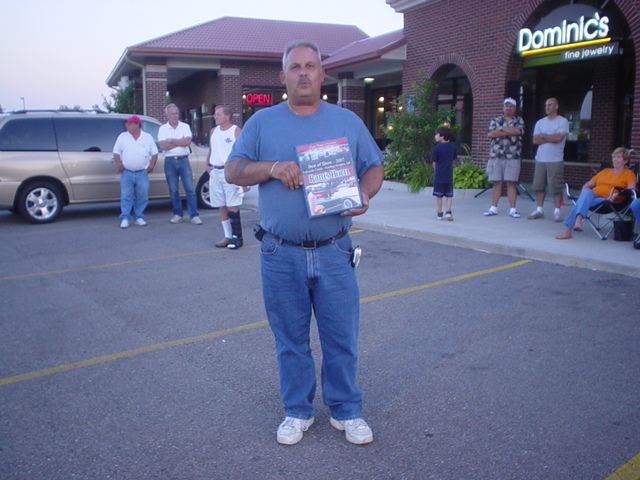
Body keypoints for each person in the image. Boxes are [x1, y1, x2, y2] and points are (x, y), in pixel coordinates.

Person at [225, 40, 384, 446]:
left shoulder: (347, 121)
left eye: (310, 66)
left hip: (334, 249)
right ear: (283, 77)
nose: (303, 73)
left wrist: (365, 195)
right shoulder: (261, 123)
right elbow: (233, 170)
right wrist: (273, 168)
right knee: (290, 340)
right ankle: (297, 411)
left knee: (341, 336)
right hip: (281, 252)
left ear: (321, 74)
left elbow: (373, 166)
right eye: (295, 67)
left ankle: (346, 410)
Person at [556, 147, 637, 239]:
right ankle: (578, 221)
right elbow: (587, 185)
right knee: (587, 192)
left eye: (618, 157)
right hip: (593, 196)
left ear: (625, 160)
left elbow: (631, 189)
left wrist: (617, 194)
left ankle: (569, 229)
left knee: (582, 201)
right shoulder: (605, 171)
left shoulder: (628, 173)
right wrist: (583, 197)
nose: (615, 159)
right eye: (614, 157)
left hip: (608, 200)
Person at [206, 106, 244, 249]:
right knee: (221, 205)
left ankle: (237, 236)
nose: (215, 117)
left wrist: (237, 169)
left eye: (218, 114)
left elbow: (242, 151)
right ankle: (227, 235)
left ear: (227, 116)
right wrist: (207, 164)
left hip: (229, 171)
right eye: (215, 114)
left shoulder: (235, 131)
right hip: (215, 170)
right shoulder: (213, 131)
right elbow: (211, 149)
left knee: (232, 204)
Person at [158, 103, 202, 225]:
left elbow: (188, 141)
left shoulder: (185, 126)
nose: (175, 116)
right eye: (172, 113)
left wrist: (171, 140)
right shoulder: (162, 129)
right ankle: (178, 214)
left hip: (184, 160)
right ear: (167, 115)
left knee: (190, 189)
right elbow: (162, 146)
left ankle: (194, 215)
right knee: (173, 190)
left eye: (176, 113)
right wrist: (180, 142)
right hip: (169, 161)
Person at [112, 115, 158, 228]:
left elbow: (155, 153)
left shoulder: (147, 137)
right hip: (126, 172)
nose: (127, 126)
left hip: (142, 172)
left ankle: (139, 217)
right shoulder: (123, 137)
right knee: (126, 195)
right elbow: (116, 152)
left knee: (142, 195)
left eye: (130, 123)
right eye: (127, 123)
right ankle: (125, 217)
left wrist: (152, 165)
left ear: (137, 124)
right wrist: (119, 164)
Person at [528, 98, 569, 222]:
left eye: (550, 105)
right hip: (540, 159)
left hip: (555, 159)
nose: (547, 107)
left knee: (555, 187)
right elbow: (535, 140)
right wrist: (551, 136)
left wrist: (544, 135)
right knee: (539, 186)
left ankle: (557, 212)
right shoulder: (540, 122)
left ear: (556, 106)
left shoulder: (562, 121)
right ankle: (539, 210)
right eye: (546, 105)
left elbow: (558, 138)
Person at [483, 97, 525, 218]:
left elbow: (518, 131)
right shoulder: (495, 120)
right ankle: (493, 208)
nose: (508, 108)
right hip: (496, 156)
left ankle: (512, 209)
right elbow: (491, 134)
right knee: (497, 182)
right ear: (503, 107)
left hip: (513, 156)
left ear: (515, 108)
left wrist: (501, 129)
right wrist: (508, 131)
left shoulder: (519, 120)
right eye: (506, 106)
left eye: (511, 106)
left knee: (511, 183)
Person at [431, 126, 457, 220]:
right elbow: (453, 159)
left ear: (442, 136)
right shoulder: (452, 147)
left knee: (439, 195)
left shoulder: (437, 148)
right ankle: (448, 212)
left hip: (439, 173)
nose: (435, 136)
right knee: (449, 194)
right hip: (448, 173)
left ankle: (439, 212)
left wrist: (435, 169)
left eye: (437, 134)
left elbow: (434, 161)